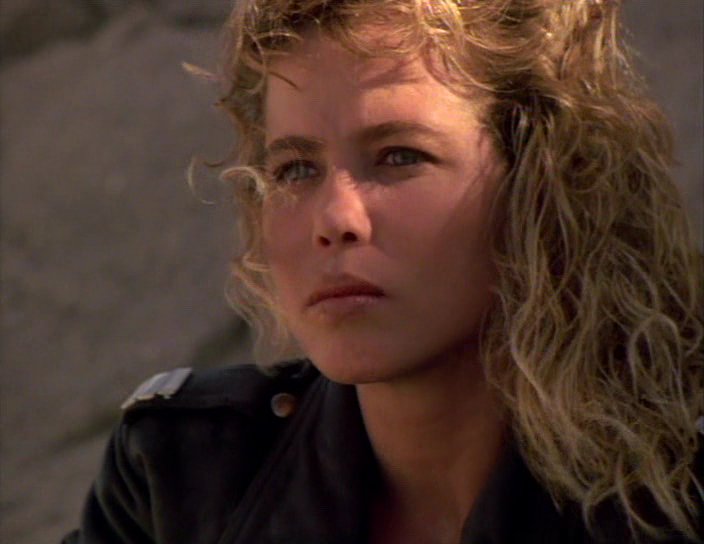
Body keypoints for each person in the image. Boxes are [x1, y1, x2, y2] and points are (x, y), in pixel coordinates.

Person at [62, 0, 703, 542]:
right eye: (295, 169)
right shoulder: (180, 476)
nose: (336, 218)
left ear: (541, 180)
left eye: (399, 156)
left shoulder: (680, 487)